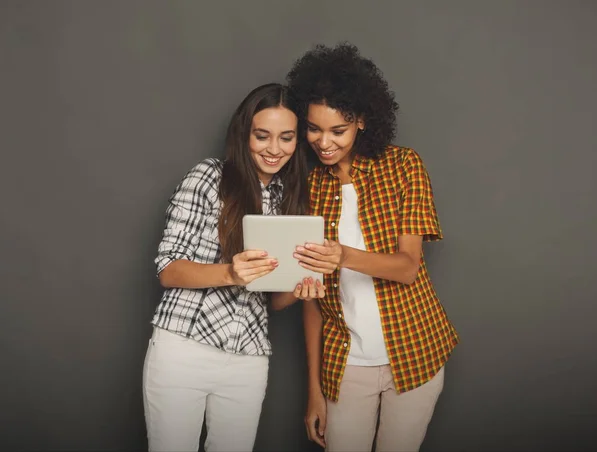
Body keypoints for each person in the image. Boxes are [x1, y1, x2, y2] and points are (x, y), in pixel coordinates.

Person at [279, 43, 460, 451]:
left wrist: (342, 255)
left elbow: (408, 267)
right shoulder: (307, 188)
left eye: (337, 131)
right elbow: (312, 300)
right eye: (313, 128)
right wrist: (314, 391)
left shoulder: (403, 166)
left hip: (415, 352)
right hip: (345, 364)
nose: (323, 142)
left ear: (361, 120)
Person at [143, 83, 318, 452]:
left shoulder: (291, 198)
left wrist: (303, 286)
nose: (274, 149)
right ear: (245, 133)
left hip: (248, 358)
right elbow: (168, 269)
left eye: (286, 138)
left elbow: (275, 300)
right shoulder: (209, 176)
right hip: (184, 347)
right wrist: (229, 273)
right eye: (262, 136)